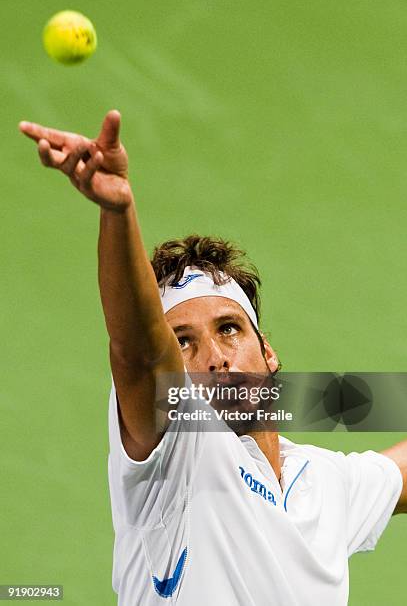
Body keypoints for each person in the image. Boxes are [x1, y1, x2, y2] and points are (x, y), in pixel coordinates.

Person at [19, 111, 407, 606]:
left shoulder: (325, 483)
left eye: (229, 329)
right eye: (183, 342)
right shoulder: (176, 457)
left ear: (267, 351)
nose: (215, 359)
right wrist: (118, 211)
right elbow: (138, 354)